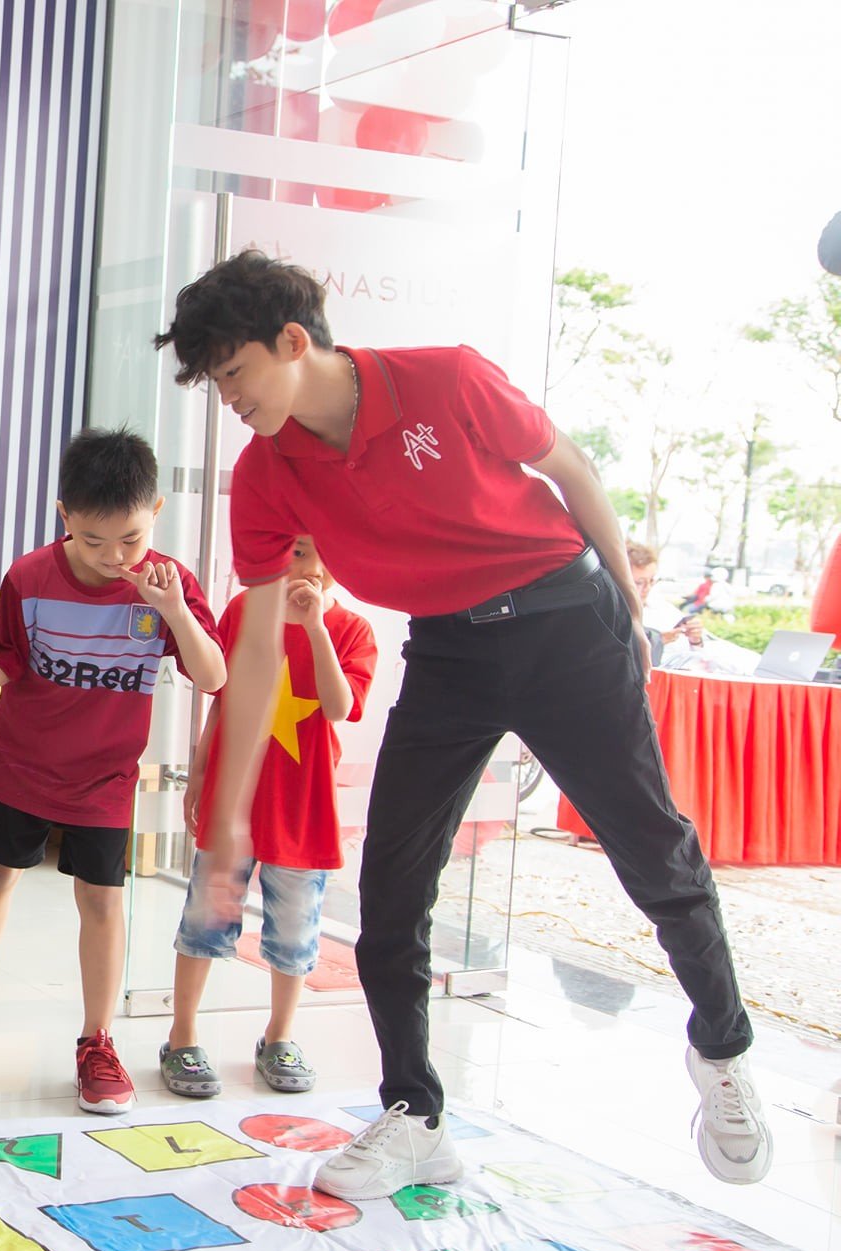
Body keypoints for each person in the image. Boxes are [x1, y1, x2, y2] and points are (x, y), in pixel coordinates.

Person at [158, 250, 771, 1197]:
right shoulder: (268, 472)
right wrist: (229, 804)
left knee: (653, 849)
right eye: (214, 383)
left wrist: (627, 605)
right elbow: (258, 648)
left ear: (292, 341)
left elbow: (570, 468)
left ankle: (722, 1048)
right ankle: (415, 1115)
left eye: (234, 372)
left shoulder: (445, 379)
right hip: (450, 651)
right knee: (392, 885)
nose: (229, 398)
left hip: (564, 620)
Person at [0, 428, 223, 1114]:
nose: (114, 557)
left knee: (102, 900)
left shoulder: (167, 584)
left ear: (157, 511)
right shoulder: (29, 577)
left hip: (104, 779)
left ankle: (97, 1039)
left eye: (131, 539)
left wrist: (172, 610)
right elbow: (6, 659)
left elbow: (213, 675)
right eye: (93, 541)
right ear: (64, 515)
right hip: (21, 764)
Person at [165, 535, 374, 1100]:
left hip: (303, 809)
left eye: (321, 551)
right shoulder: (245, 612)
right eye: (296, 550)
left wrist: (315, 627)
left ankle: (279, 1036)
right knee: (206, 920)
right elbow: (222, 698)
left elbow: (339, 706)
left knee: (295, 931)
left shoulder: (352, 630)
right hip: (235, 796)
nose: (309, 565)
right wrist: (200, 773)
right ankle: (182, 1035)